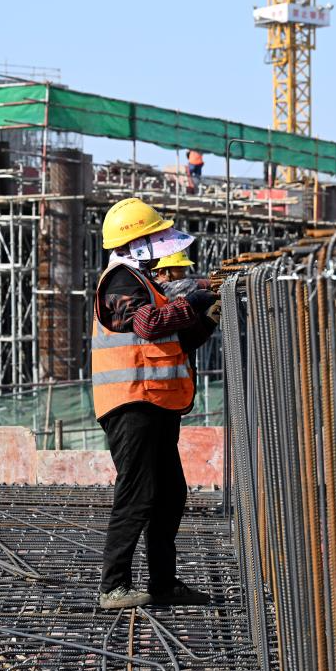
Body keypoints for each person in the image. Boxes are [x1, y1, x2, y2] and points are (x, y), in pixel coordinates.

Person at [92, 197, 220, 610]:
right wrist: (193, 301)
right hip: (131, 404)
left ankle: (163, 584)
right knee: (138, 493)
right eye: (155, 236)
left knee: (169, 494)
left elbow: (176, 342)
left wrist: (209, 316)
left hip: (154, 402)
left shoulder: (145, 284)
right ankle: (113, 586)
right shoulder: (120, 280)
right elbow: (148, 326)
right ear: (137, 242)